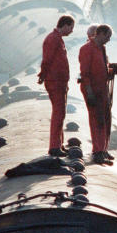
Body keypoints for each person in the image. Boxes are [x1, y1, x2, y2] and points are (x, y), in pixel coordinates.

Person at [78, 24, 117, 164]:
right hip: (93, 89)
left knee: (106, 119)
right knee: (97, 120)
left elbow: (103, 69)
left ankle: (103, 149)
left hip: (102, 88)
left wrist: (113, 70)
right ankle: (98, 151)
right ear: (100, 33)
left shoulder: (102, 48)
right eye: (107, 37)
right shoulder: (86, 49)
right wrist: (89, 93)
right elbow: (85, 74)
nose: (109, 40)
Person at [38, 15, 75, 156]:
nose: (71, 31)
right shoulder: (53, 39)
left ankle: (59, 144)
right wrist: (43, 75)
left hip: (60, 81)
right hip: (55, 82)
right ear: (65, 25)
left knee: (61, 113)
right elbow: (47, 60)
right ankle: (54, 146)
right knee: (58, 113)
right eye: (71, 27)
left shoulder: (57, 39)